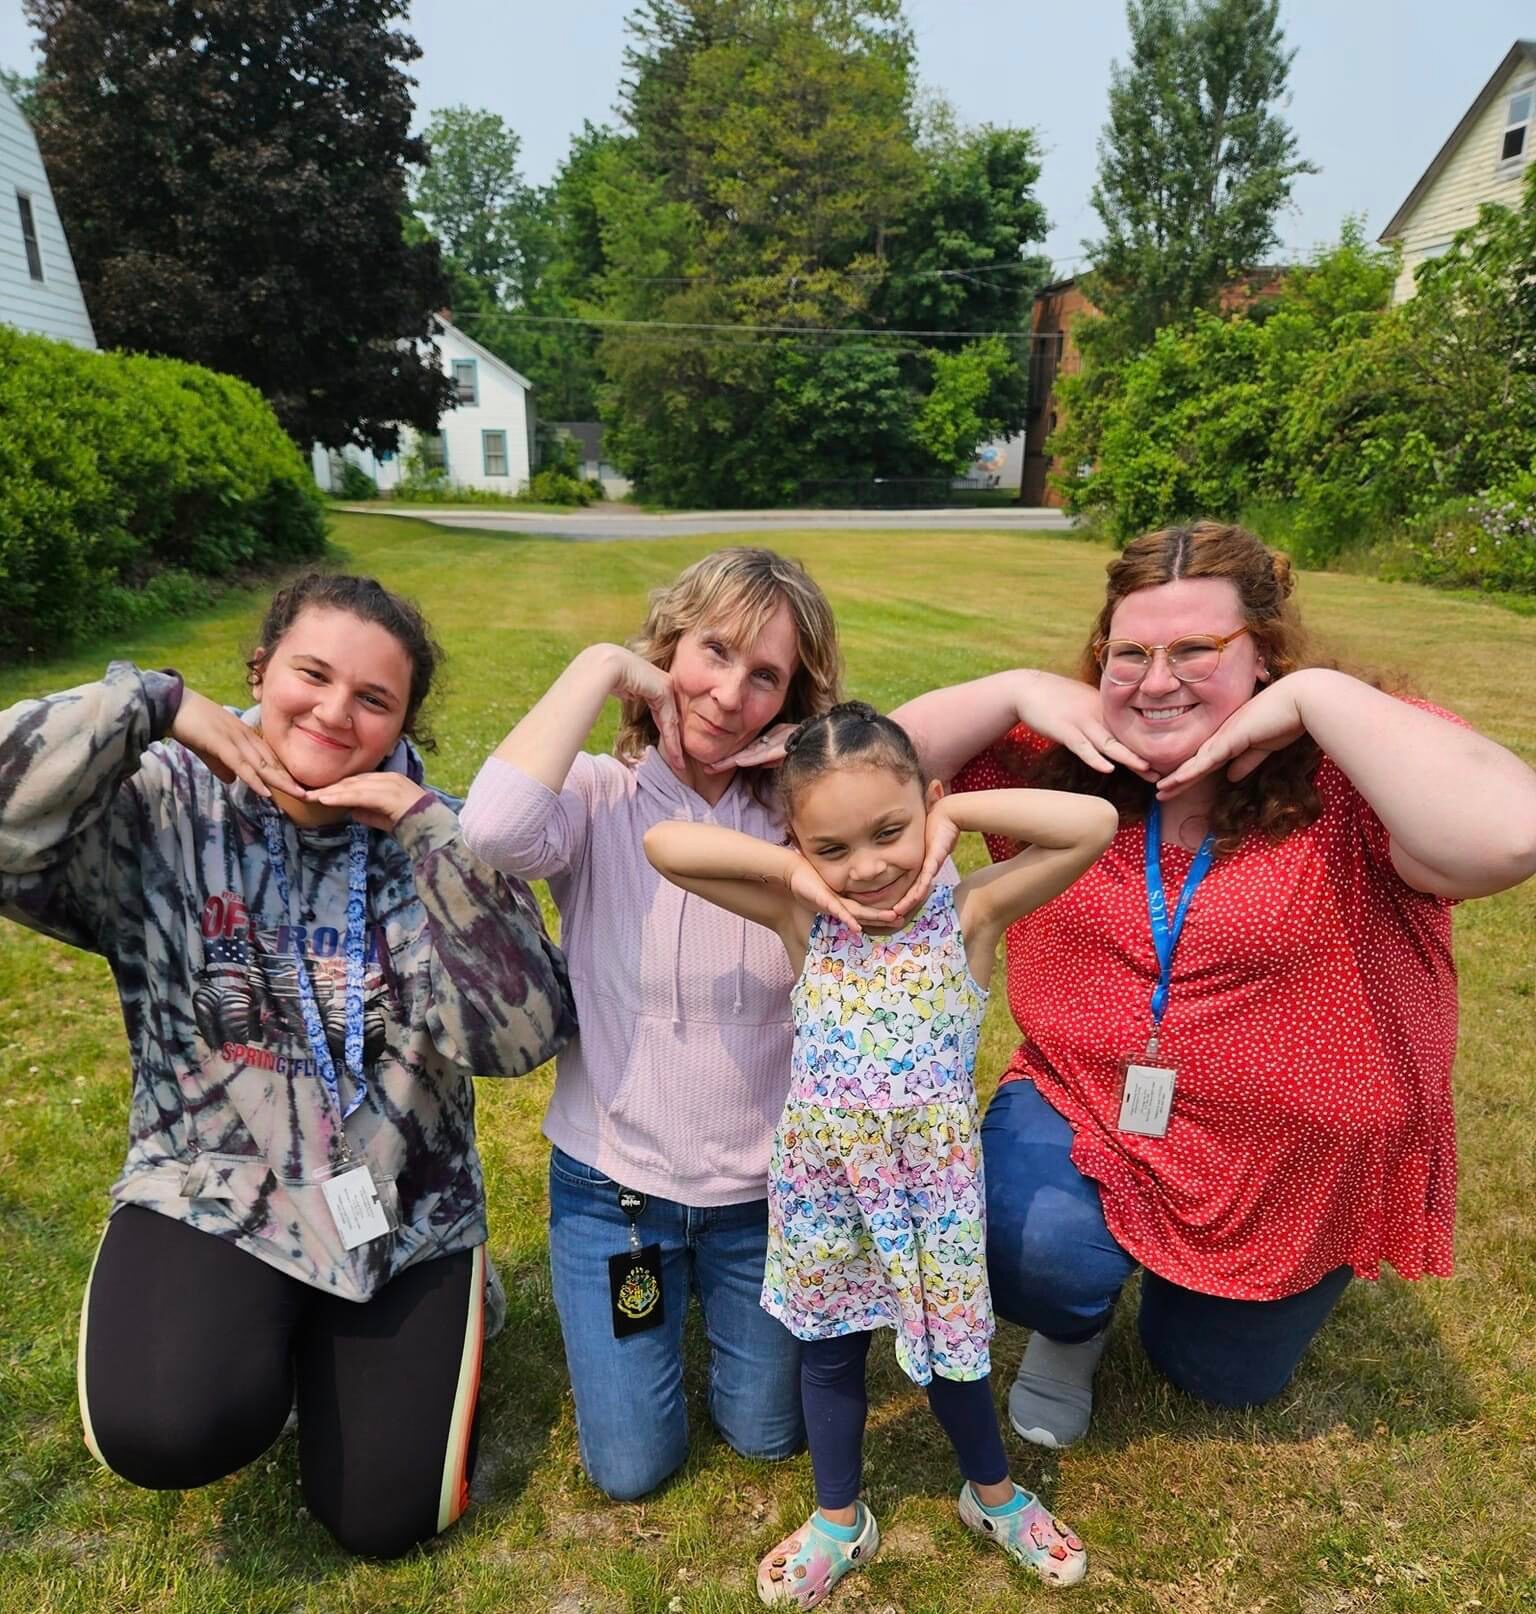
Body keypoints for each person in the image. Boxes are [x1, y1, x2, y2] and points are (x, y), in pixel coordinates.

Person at [888, 520, 1536, 1449]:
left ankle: (1215, 1291)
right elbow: (860, 777)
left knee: (1215, 1379)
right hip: (1091, 1103)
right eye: (1130, 652)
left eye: (1197, 649)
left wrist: (1316, 698)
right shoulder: (1063, 764)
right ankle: (1069, 1329)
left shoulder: (1350, 769)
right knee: (1029, 1247)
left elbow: (1510, 835)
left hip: (1289, 1168)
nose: (1157, 680)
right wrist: (1013, 689)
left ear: (1263, 656)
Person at [0, 573, 575, 1558]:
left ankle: (448, 1305)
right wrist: (151, 704)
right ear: (261, 669)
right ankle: (252, 1327)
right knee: (164, 1426)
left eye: (373, 699)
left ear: (402, 723)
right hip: (216, 1188)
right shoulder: (165, 800)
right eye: (312, 674)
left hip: (399, 1210)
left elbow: (525, 1036)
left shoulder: (430, 837)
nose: (333, 711)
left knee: (387, 1517)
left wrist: (425, 826)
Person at [645, 702, 1112, 1603]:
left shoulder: (973, 909)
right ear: (802, 847)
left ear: (927, 807)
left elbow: (1091, 823)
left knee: (954, 1354)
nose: (866, 867)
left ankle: (995, 1498)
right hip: (826, 1185)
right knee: (829, 1351)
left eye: (891, 831)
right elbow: (670, 845)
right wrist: (792, 871)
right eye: (834, 848)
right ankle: (839, 1518)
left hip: (930, 1191)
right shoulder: (804, 919)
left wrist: (960, 820)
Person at [458, 547, 843, 1502]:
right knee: (631, 1470)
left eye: (767, 676)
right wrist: (599, 666)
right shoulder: (596, 794)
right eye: (712, 652)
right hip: (613, 1189)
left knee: (764, 1438)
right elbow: (492, 831)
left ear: (793, 697)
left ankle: (727, 1315)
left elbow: (908, 772)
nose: (727, 694)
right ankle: (658, 1316)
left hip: (764, 1196)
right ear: (668, 644)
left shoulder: (803, 814)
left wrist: (803, 763)